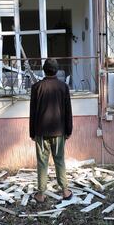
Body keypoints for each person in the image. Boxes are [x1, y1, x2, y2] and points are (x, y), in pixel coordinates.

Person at [29, 58, 73, 203]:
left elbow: (33, 112)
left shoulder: (36, 87)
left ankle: (40, 194)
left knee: (42, 162)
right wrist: (68, 130)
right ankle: (65, 191)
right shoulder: (63, 87)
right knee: (59, 160)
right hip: (59, 131)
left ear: (44, 69)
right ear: (57, 70)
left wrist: (32, 132)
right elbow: (68, 111)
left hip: (41, 132)